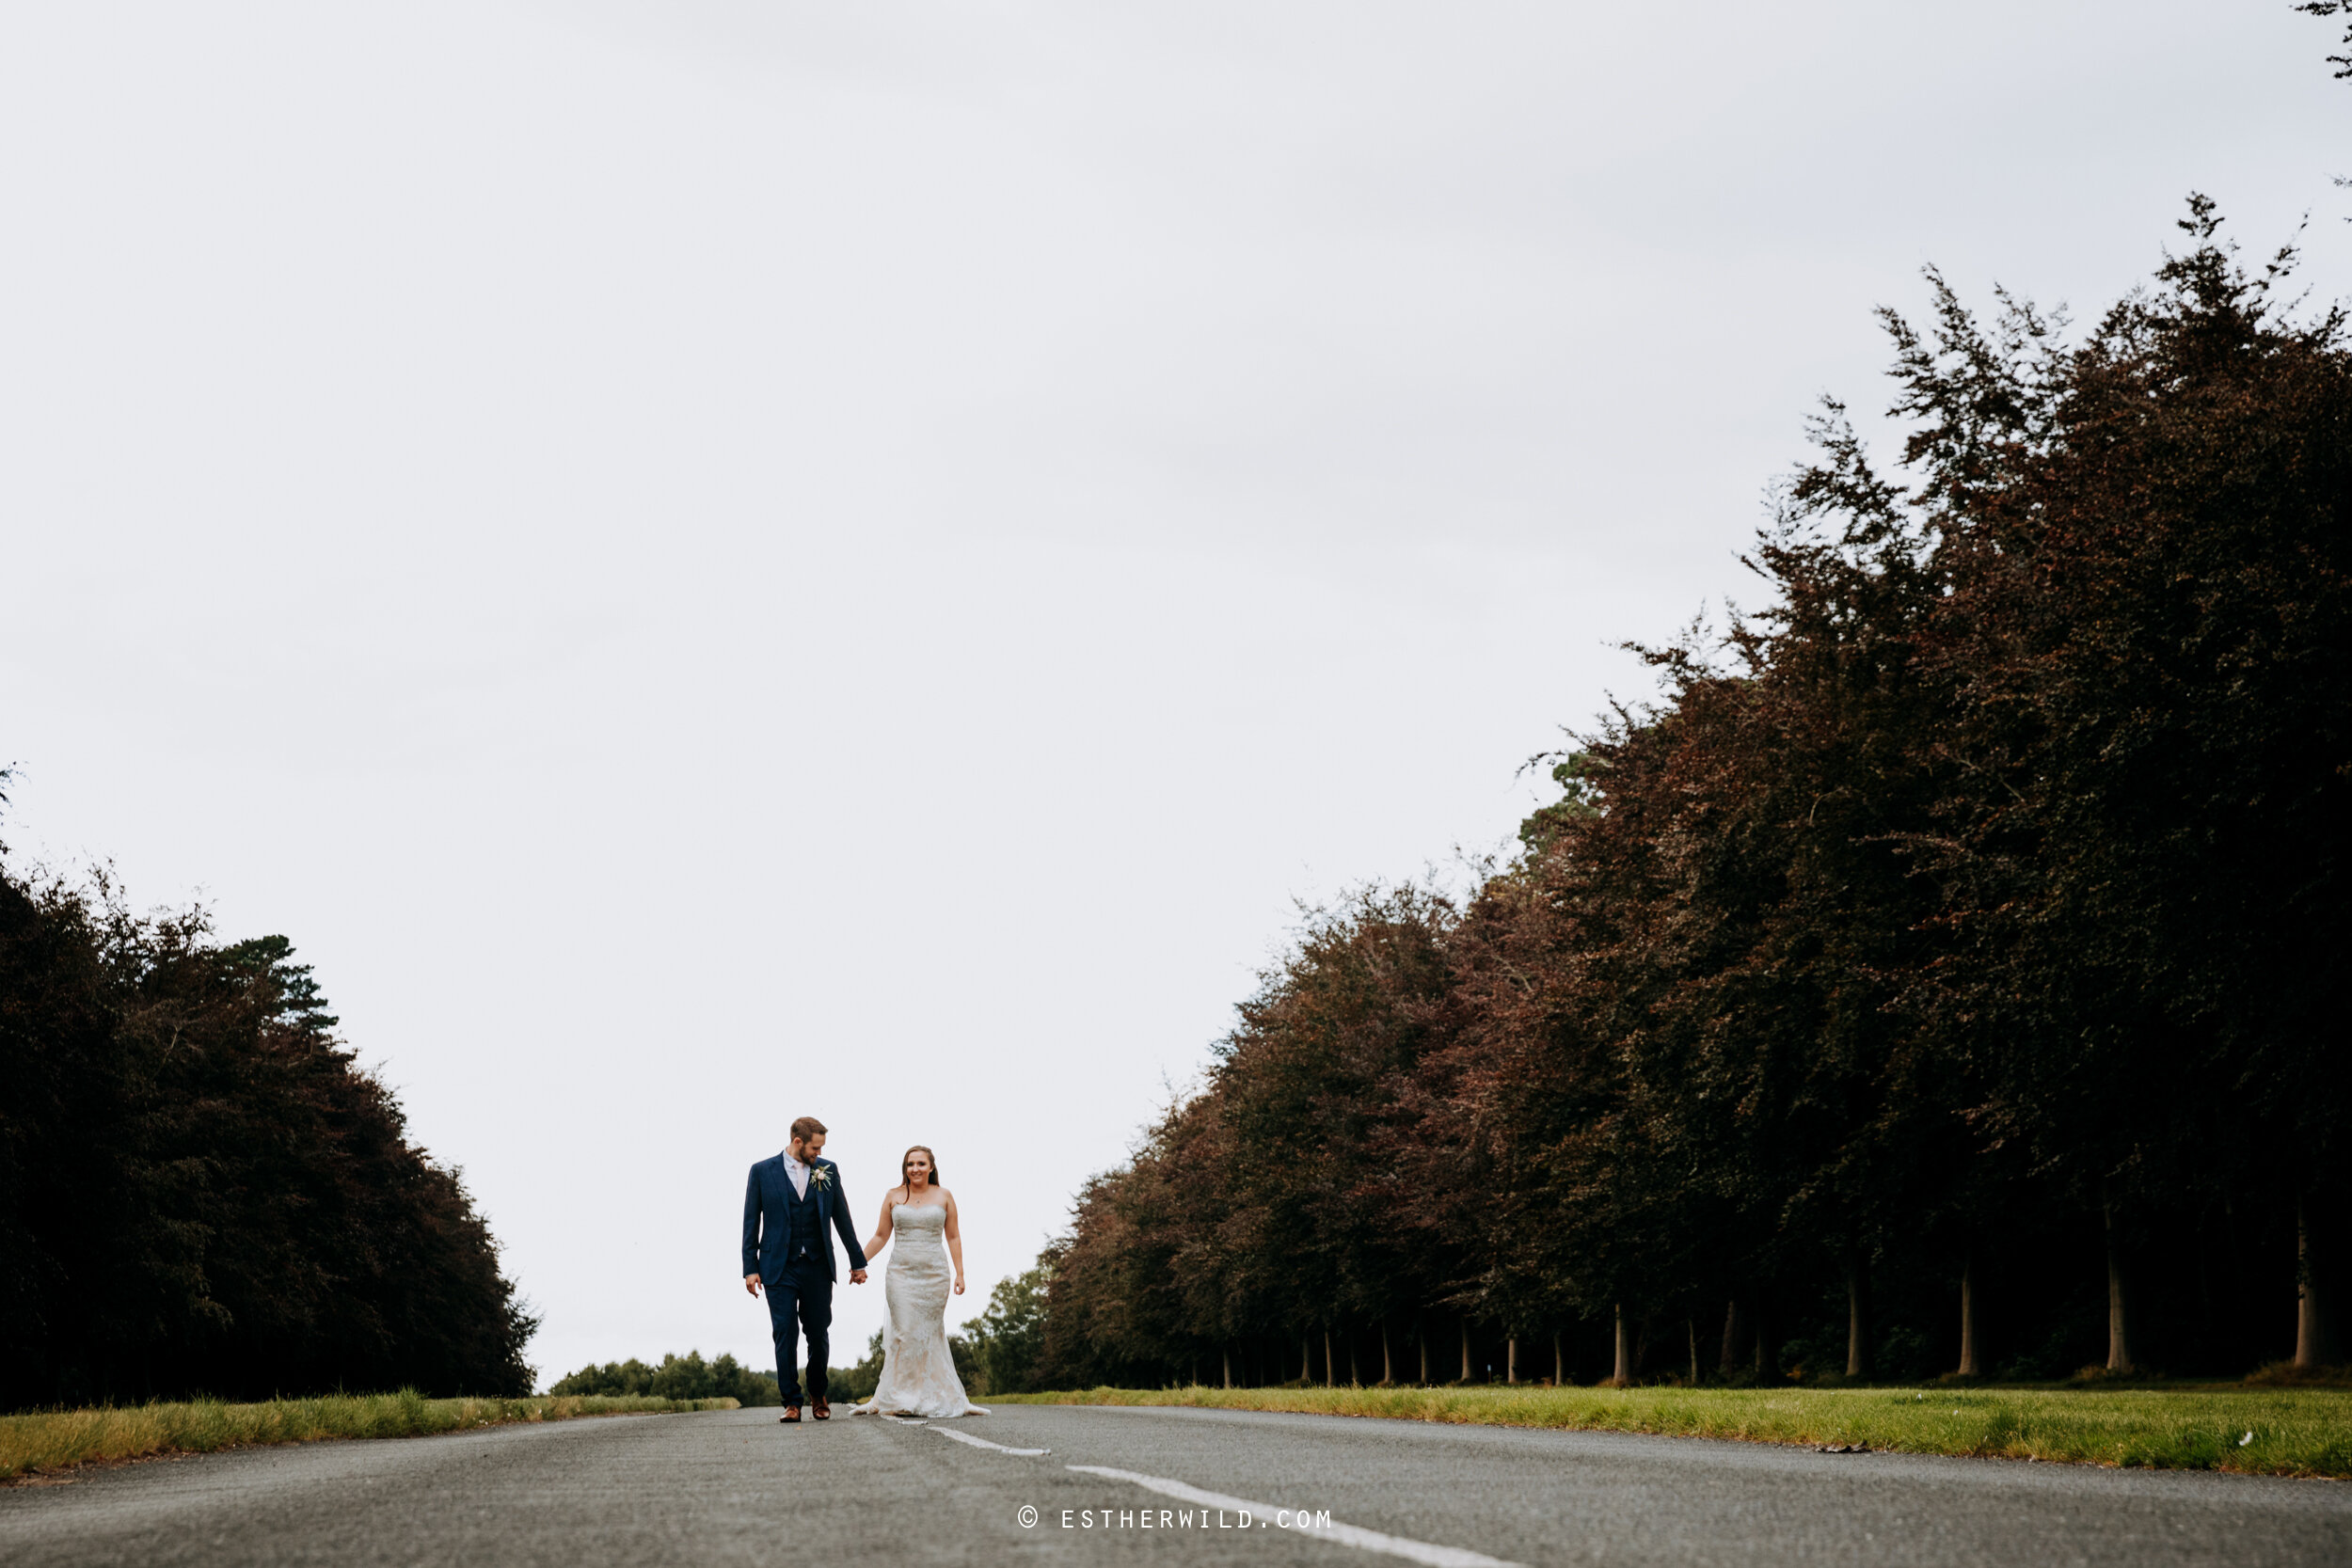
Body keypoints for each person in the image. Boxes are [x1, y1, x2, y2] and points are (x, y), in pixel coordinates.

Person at [742, 1116, 867, 1423]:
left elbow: (842, 1217)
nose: (818, 1152)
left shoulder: (827, 1171)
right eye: (815, 1147)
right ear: (798, 1142)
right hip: (777, 1267)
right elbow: (750, 1221)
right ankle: (792, 1402)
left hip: (817, 1265)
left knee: (818, 1331)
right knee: (784, 1332)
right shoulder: (762, 1171)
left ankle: (817, 1393)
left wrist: (857, 1261)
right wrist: (749, 1267)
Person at [848, 1145, 985, 1418]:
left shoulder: (944, 1196)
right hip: (900, 1274)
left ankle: (935, 1395)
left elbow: (954, 1236)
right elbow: (880, 1236)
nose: (915, 1169)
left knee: (928, 1334)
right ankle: (897, 1397)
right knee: (904, 1332)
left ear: (931, 1167)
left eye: (921, 1164)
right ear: (905, 1168)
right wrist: (858, 1262)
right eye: (910, 1164)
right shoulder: (893, 1195)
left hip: (935, 1274)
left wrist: (960, 1273)